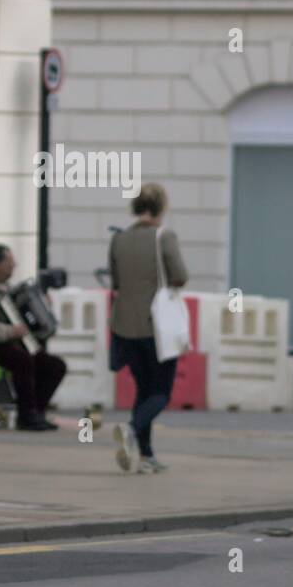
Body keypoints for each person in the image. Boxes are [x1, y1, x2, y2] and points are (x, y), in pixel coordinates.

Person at [109, 182, 188, 474]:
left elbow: (116, 281)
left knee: (143, 390)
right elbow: (179, 276)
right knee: (161, 393)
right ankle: (131, 430)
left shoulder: (118, 240)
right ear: (161, 207)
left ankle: (146, 455)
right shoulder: (164, 237)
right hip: (157, 327)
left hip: (124, 326)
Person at [0, 244, 66, 431]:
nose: (13, 265)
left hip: (8, 343)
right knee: (22, 360)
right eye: (9, 262)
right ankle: (27, 415)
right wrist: (11, 331)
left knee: (54, 365)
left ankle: (36, 411)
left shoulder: (3, 290)